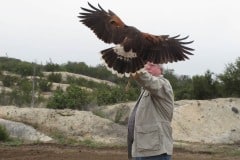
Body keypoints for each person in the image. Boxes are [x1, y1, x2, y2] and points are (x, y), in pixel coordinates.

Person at [128, 62, 174, 160]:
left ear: (160, 69)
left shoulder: (163, 84)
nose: (147, 67)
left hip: (156, 153)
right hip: (143, 150)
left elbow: (149, 82)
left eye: (152, 65)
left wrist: (133, 65)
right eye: (145, 64)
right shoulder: (145, 90)